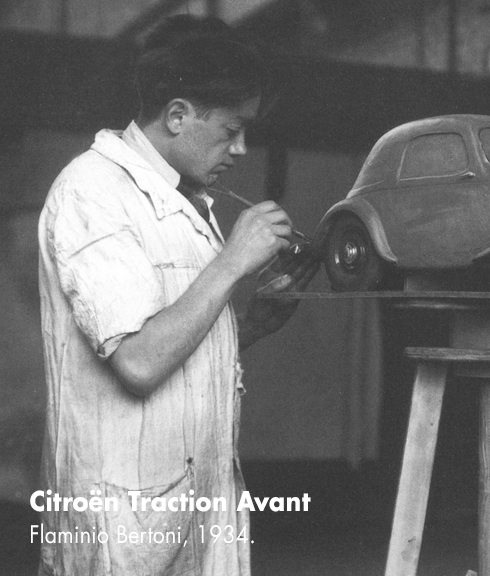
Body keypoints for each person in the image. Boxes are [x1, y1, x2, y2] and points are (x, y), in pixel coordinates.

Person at [37, 15, 316, 575]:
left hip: (189, 513)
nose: (241, 148)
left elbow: (179, 352)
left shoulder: (185, 201)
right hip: (121, 527)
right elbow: (139, 363)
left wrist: (251, 325)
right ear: (177, 116)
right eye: (231, 130)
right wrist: (232, 262)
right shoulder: (92, 192)